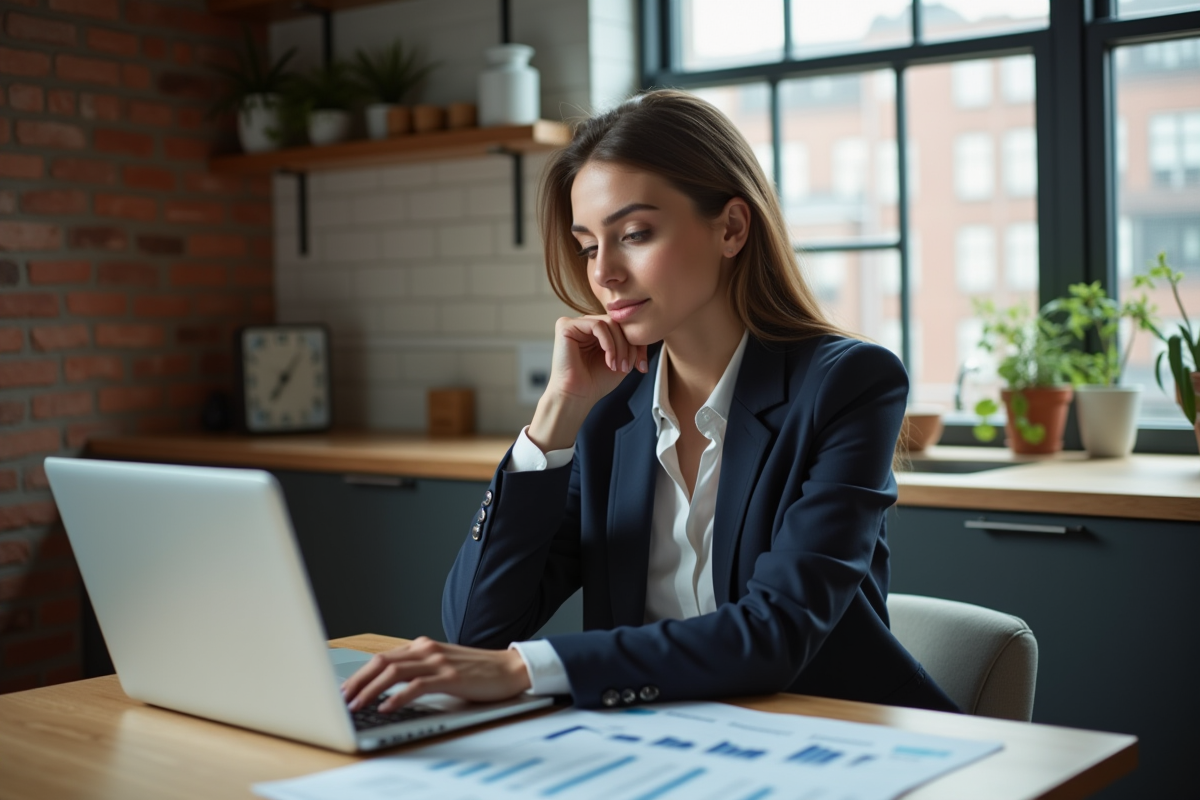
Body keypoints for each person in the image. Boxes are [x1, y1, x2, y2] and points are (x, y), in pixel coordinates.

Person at [342, 89, 958, 715]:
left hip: (837, 739)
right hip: (661, 740)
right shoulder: (608, 411)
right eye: (587, 245)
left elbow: (777, 632)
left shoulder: (848, 384)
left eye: (634, 233)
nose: (604, 272)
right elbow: (476, 629)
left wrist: (526, 670)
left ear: (732, 228)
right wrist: (553, 423)